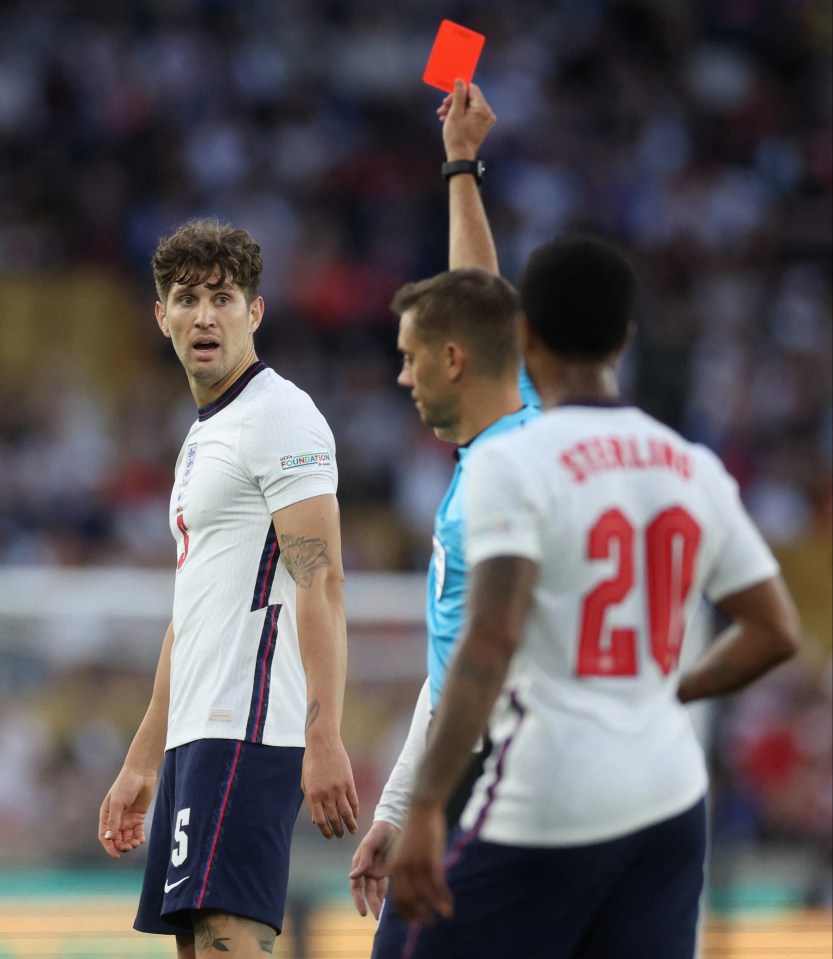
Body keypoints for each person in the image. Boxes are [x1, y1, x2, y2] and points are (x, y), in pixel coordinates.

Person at [388, 227, 801, 958]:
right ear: (624, 338)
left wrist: (421, 806)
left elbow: (489, 637)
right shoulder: (690, 464)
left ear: (525, 336)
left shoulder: (512, 462)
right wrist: (668, 689)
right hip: (669, 796)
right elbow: (774, 631)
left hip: (548, 791)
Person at [98, 217, 359, 959]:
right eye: (185, 298)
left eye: (223, 296)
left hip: (247, 724)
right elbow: (192, 618)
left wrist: (323, 732)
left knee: (226, 939)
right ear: (161, 317)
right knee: (197, 944)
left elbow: (322, 580)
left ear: (256, 311)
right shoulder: (204, 435)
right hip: (198, 732)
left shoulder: (279, 414)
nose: (203, 314)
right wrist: (144, 760)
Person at [348, 81, 540, 958]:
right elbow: (480, 292)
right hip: (469, 784)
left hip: (491, 790)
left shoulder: (508, 473)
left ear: (454, 361)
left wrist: (420, 808)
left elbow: (481, 660)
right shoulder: (499, 439)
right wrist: (459, 163)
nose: (400, 378)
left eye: (410, 358)